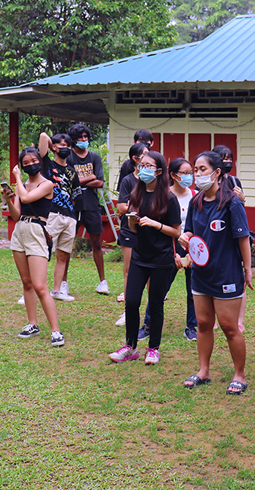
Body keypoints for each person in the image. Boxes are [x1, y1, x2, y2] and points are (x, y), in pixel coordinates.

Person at [179, 152, 253, 393]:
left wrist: (247, 270)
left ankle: (240, 375)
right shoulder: (195, 202)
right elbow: (190, 233)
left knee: (229, 327)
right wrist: (185, 238)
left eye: (202, 169)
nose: (197, 175)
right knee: (203, 324)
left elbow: (243, 239)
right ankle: (204, 371)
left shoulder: (232, 203)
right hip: (201, 274)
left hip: (227, 275)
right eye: (195, 170)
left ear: (217, 172)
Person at [109, 151, 181, 365]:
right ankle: (130, 347)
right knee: (131, 301)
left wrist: (155, 224)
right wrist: (133, 220)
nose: (143, 169)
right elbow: (134, 227)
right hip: (139, 256)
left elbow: (176, 231)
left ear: (159, 171)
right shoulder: (136, 194)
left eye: (149, 166)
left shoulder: (169, 198)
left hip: (161, 259)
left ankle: (154, 349)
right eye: (142, 165)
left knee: (156, 303)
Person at [5, 147, 65, 347]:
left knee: (40, 286)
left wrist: (17, 178)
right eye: (26, 163)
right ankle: (33, 324)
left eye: (33, 161)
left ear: (40, 161)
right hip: (20, 231)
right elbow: (15, 214)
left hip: (37, 232)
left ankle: (56, 331)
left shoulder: (46, 184)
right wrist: (8, 197)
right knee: (27, 283)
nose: (30, 165)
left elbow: (28, 198)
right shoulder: (22, 186)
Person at [139, 158, 198, 341]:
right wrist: (174, 253)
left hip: (191, 248)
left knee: (194, 290)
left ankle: (192, 326)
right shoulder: (163, 196)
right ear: (172, 175)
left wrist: (190, 251)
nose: (189, 176)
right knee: (160, 288)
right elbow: (162, 228)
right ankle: (148, 324)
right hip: (168, 249)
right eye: (184, 173)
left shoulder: (196, 196)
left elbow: (197, 225)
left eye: (191, 173)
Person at [65, 123, 108, 295]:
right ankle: (63, 283)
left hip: (91, 205)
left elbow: (100, 182)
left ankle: (102, 282)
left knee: (96, 243)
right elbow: (67, 182)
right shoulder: (68, 157)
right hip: (73, 206)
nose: (84, 140)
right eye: (80, 137)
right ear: (74, 139)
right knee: (67, 243)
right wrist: (89, 177)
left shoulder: (95, 157)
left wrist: (79, 180)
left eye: (86, 137)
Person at [38, 131, 81, 302]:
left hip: (69, 217)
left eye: (68, 145)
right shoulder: (47, 165)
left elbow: (76, 197)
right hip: (52, 215)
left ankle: (57, 291)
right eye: (62, 145)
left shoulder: (72, 172)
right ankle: (34, 290)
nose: (66, 148)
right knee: (42, 252)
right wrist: (53, 145)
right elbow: (42, 136)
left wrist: (73, 218)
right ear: (54, 147)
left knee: (63, 255)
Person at [212, 144, 248, 332]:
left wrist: (242, 198)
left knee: (239, 277)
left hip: (234, 235)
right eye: (223, 158)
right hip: (215, 237)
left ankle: (239, 320)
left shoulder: (234, 181)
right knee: (216, 277)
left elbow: (241, 208)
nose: (227, 161)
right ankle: (219, 318)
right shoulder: (207, 182)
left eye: (230, 158)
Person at [114, 142, 149, 323]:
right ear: (135, 159)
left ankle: (150, 314)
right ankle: (128, 311)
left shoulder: (154, 181)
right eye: (144, 154)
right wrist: (144, 209)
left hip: (150, 231)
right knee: (129, 271)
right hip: (129, 230)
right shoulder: (128, 180)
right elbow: (122, 207)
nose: (148, 156)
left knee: (151, 272)